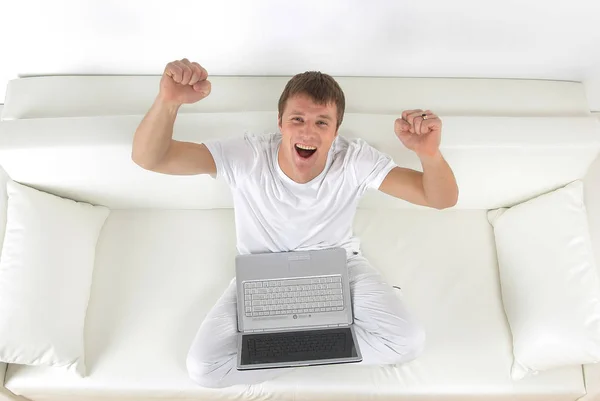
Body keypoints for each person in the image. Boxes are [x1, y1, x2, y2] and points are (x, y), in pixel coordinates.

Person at [132, 58, 459, 388]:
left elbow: (440, 198)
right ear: (280, 123)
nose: (307, 131)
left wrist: (428, 154)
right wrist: (168, 101)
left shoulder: (354, 159)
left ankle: (292, 346)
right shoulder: (247, 155)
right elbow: (150, 158)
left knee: (409, 341)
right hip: (260, 278)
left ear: (335, 131)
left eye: (321, 123)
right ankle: (323, 345)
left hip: (338, 269)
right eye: (298, 119)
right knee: (203, 369)